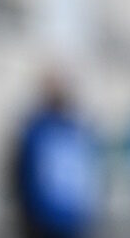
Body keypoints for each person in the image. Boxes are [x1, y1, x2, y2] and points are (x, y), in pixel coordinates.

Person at [7, 68, 103, 238]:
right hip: (39, 220)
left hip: (69, 220)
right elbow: (19, 172)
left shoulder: (74, 129)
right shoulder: (37, 129)